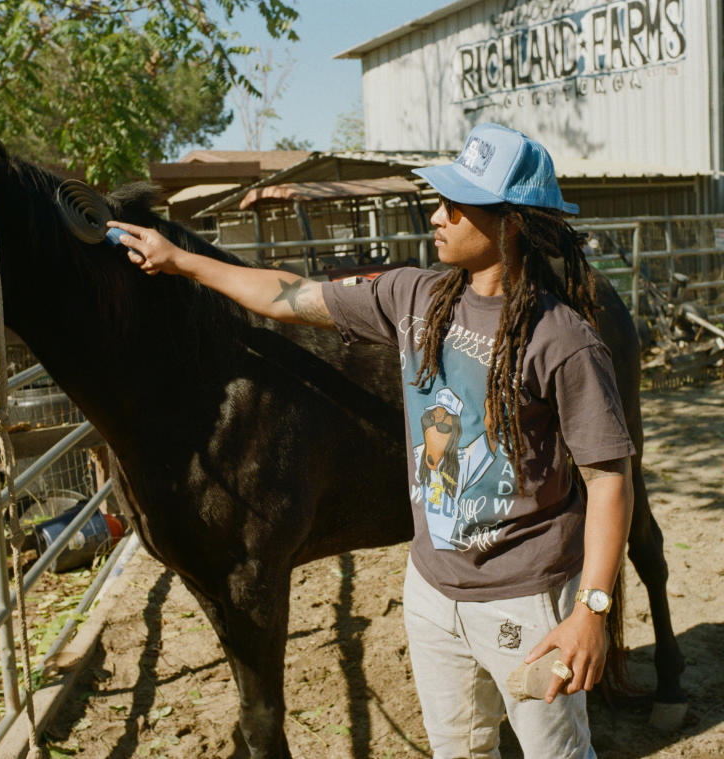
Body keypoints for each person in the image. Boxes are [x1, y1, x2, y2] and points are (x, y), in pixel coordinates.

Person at [108, 122, 634, 758]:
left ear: (510, 223)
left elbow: (609, 479)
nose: (437, 217)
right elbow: (288, 297)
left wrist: (592, 611)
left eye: (455, 205)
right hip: (433, 594)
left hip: (524, 605)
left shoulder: (563, 340)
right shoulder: (416, 297)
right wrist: (182, 260)